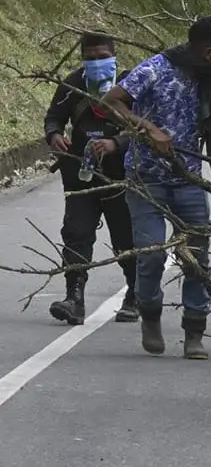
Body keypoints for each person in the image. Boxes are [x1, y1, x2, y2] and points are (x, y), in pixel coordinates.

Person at [102, 15, 211, 359]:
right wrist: (147, 128)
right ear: (208, 51)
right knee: (151, 255)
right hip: (146, 180)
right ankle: (150, 314)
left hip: (188, 182)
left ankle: (194, 331)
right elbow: (112, 101)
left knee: (197, 258)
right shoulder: (155, 69)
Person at [44, 33, 138, 325]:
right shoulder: (73, 84)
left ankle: (135, 296)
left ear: (114, 54)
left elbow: (145, 126)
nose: (96, 63)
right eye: (90, 58)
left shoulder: (131, 84)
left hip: (120, 175)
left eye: (102, 57)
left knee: (126, 237)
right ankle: (74, 298)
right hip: (80, 175)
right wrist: (55, 135)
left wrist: (117, 143)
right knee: (75, 234)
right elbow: (54, 117)